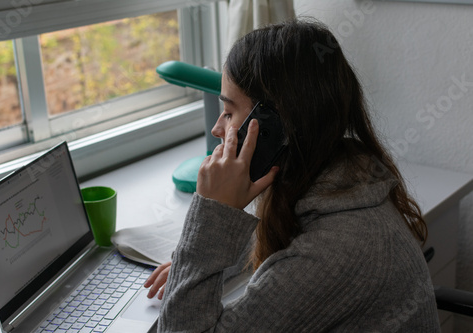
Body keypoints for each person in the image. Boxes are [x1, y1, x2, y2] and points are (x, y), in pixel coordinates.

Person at [144, 18, 440, 332]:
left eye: (229, 112)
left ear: (273, 126)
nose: (218, 128)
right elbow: (282, 230)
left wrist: (209, 221)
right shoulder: (339, 177)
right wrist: (199, 264)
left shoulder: (335, 251)